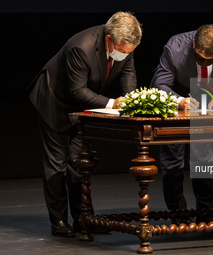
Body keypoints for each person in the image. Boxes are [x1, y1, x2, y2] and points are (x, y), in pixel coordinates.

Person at [28, 12, 142, 237]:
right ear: (109, 39)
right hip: (55, 101)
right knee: (57, 166)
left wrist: (132, 103)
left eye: (129, 52)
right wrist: (113, 103)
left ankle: (83, 219)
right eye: (122, 50)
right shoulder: (81, 46)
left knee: (79, 164)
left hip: (82, 107)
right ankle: (59, 221)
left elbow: (128, 77)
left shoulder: (125, 47)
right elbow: (77, 91)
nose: (125, 55)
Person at [150, 24, 213, 224]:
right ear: (193, 44)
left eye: (210, 59)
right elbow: (160, 84)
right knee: (173, 160)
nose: (205, 62)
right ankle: (178, 213)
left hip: (207, 106)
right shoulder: (174, 47)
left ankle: (206, 212)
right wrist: (178, 100)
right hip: (178, 105)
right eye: (200, 57)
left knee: (203, 157)